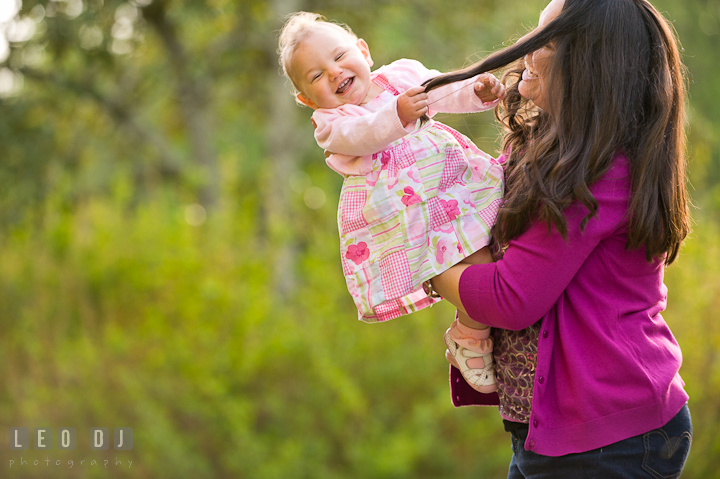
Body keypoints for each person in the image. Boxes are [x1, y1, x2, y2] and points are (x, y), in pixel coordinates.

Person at [426, 0, 692, 476]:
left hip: (611, 439)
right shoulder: (549, 149)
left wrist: (424, 258)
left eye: (546, 42)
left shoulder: (597, 174)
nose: (526, 48)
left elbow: (510, 297)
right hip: (561, 433)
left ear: (590, 67)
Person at [278, 12, 507, 393]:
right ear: (306, 98)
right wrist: (396, 114)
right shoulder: (332, 123)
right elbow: (362, 135)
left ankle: (479, 325)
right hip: (405, 217)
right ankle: (469, 335)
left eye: (338, 56)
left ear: (363, 51)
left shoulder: (401, 76)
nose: (333, 72)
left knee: (495, 246)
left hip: (451, 189)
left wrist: (478, 92)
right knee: (474, 270)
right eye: (316, 76)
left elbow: (445, 90)